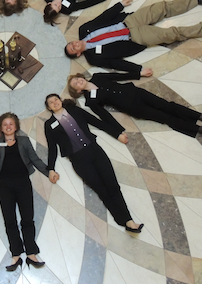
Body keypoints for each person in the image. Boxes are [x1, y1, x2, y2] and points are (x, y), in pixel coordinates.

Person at [64, 0, 202, 75]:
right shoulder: (93, 58)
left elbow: (103, 18)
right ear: (78, 54)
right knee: (171, 34)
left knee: (161, 8)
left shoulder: (83, 30)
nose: (74, 45)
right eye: (73, 49)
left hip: (129, 21)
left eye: (71, 44)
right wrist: (138, 70)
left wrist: (120, 5)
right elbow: (116, 64)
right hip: (135, 38)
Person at [0, 112, 59, 271]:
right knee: (9, 220)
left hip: (23, 183)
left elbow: (35, 159)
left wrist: (49, 172)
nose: (8, 126)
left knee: (27, 219)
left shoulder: (24, 141)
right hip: (4, 186)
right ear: (2, 128)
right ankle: (16, 255)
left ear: (16, 127)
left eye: (11, 124)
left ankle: (31, 253)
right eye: (5, 124)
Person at [44, 94, 143, 233]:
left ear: (60, 101)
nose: (54, 103)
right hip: (79, 161)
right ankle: (124, 221)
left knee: (113, 186)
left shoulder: (75, 110)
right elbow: (52, 147)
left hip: (95, 151)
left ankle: (129, 220)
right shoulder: (49, 125)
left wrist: (117, 134)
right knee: (102, 190)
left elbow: (96, 122)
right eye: (50, 102)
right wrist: (51, 169)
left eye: (56, 99)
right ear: (49, 107)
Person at [68, 72, 202, 138]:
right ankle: (197, 128)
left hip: (136, 93)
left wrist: (139, 73)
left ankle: (200, 116)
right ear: (78, 90)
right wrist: (117, 131)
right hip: (133, 108)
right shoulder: (91, 101)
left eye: (77, 79)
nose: (78, 81)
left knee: (167, 106)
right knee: (164, 117)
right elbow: (104, 116)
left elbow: (118, 76)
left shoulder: (97, 76)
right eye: (75, 84)